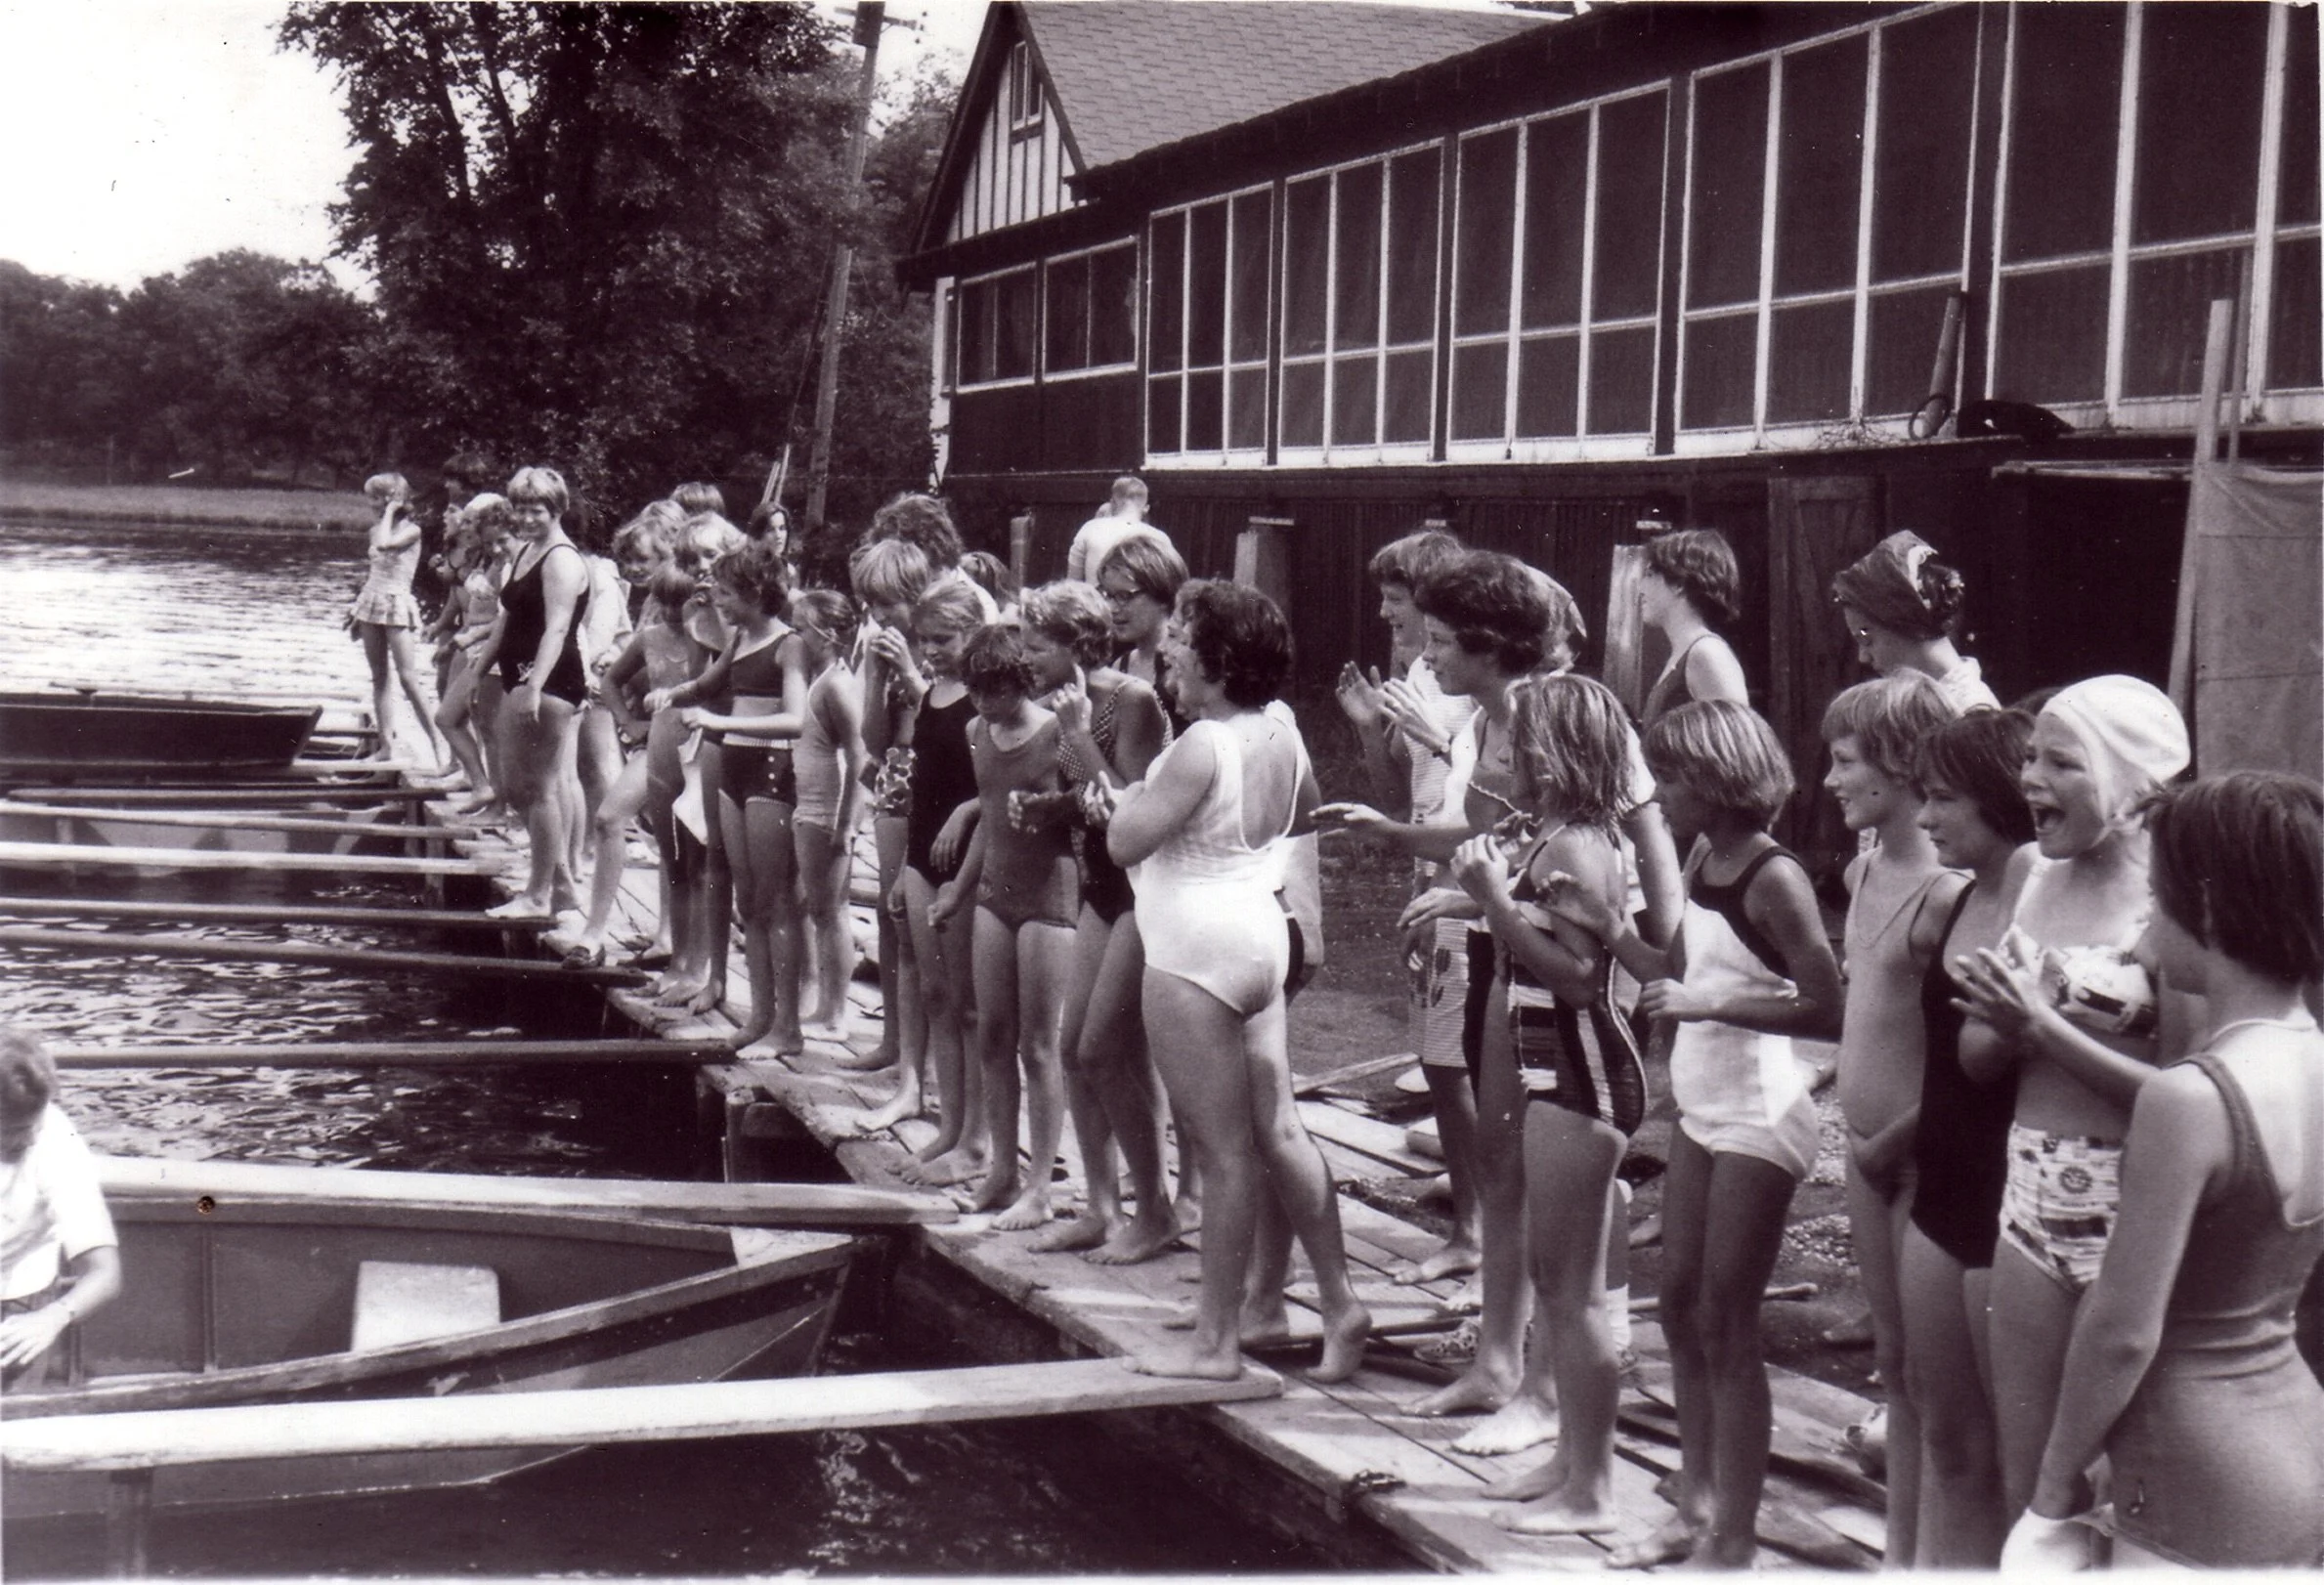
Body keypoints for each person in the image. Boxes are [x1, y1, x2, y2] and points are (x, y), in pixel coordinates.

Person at [1547, 700, 1843, 1569]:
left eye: (1669, 779)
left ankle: (1736, 1541)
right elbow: (1673, 973)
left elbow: (1830, 1007)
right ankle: (1696, 1497)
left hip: (1761, 1115)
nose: (1657, 795)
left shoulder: (1773, 876)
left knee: (1727, 1320)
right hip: (1705, 1117)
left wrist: (1707, 1004)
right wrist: (1608, 929)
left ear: (1713, 781)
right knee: (1677, 1308)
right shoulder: (1707, 853)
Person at [2003, 773, 2324, 1571]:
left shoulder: (2189, 1100)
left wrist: (2050, 1493)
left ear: (2209, 907)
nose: (2145, 921)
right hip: (2298, 1433)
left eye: (2158, 896)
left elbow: (2121, 1333)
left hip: (2190, 1469)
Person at [1111, 580, 1370, 1384]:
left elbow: (1124, 842)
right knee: (1280, 1130)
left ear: (1220, 663)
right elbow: (1305, 816)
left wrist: (1130, 794)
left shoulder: (1202, 745)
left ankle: (1215, 1344)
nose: (1172, 656)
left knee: (1222, 1155)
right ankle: (1336, 1300)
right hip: (1261, 935)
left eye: (1185, 642)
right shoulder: (1285, 735)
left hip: (1193, 951)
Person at [1950, 674, 2193, 1521]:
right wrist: (2005, 1024)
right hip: (2029, 1197)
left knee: (2125, 1495)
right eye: (2029, 758)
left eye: (2061, 762)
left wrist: (2044, 1026)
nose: (2029, 781)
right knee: (2035, 1495)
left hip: (2132, 1214)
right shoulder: (2036, 880)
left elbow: (2190, 1098)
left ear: (2130, 784)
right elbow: (1981, 1061)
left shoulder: (2177, 901)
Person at [1431, 675, 1647, 1538]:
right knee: (1560, 1286)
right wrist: (1482, 896)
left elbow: (1580, 977)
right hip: (1556, 1070)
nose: (1499, 764)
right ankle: (1567, 1462)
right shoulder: (1557, 836)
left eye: (1515, 750)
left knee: (1572, 1293)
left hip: (1583, 1078)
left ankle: (1592, 1486)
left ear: (1556, 758)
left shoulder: (1579, 849)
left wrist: (1489, 901)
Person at [1818, 670, 1963, 1564]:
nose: (1829, 780)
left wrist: (1891, 1137)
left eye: (1844, 762)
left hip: (1916, 1155)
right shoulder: (1860, 867)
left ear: (1904, 766)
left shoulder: (1947, 895)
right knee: (1896, 1370)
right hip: (1862, 1152)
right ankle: (1901, 1556)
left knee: (1941, 1381)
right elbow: (1865, 1011)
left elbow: (1961, 1060)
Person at [1898, 708, 2037, 1567]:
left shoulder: (2040, 893)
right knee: (1947, 1435)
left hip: (2008, 1201)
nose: (1925, 817)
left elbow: (1992, 1062)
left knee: (2023, 1466)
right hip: (1940, 1193)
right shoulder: (1961, 895)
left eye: (1943, 798)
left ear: (1998, 798)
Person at [1334, 530, 1482, 1291]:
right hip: (1430, 874)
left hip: (1470, 879)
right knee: (1437, 1051)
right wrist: (1369, 726)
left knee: (1452, 1058)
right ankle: (1474, 1199)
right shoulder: (1418, 673)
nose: (1388, 625)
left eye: (1398, 610)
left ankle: (1474, 1229)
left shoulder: (1468, 681)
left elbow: (1491, 793)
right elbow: (1397, 799)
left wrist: (1435, 735)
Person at [1016, 580, 1175, 1263]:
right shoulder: (1061, 705)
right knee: (1076, 1046)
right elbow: (1085, 800)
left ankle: (1157, 1207)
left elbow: (1129, 803)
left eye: (1038, 646)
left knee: (1098, 1048)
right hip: (1096, 886)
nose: (1025, 658)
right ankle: (1103, 1206)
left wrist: (1079, 736)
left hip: (1141, 890)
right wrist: (1049, 809)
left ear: (1078, 645)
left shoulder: (1128, 702)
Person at [931, 623, 1080, 1230]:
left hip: (1049, 898)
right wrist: (957, 894)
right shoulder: (975, 731)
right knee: (993, 1036)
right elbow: (990, 823)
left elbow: (1086, 809)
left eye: (992, 691)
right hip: (995, 894)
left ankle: (1041, 1185)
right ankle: (1000, 1170)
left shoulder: (1054, 735)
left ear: (1020, 681)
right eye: (974, 690)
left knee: (1039, 1047)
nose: (981, 703)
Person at [662, 542, 811, 1061]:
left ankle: (789, 1027)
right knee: (749, 903)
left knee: (776, 902)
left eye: (726, 592)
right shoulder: (743, 637)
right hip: (734, 770)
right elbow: (707, 684)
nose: (719, 600)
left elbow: (795, 719)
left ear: (754, 592)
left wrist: (721, 722)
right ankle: (762, 1016)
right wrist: (669, 695)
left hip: (772, 772)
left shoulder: (788, 644)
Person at [890, 579, 989, 1186]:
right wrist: (904, 865)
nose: (931, 651)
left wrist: (969, 811)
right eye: (924, 640)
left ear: (974, 634)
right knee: (935, 996)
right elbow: (921, 787)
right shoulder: (933, 694)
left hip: (967, 862)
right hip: (924, 856)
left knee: (967, 1004)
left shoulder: (989, 699)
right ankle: (950, 1125)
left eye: (944, 640)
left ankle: (977, 1139)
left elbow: (1005, 783)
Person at [470, 466, 591, 921]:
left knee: (536, 789)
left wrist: (534, 686)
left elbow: (559, 627)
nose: (525, 517)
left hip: (551, 679)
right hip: (517, 675)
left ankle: (539, 895)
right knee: (516, 787)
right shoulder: (525, 551)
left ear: (557, 509)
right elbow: (505, 620)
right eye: (519, 508)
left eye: (535, 509)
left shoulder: (561, 558)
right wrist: (478, 671)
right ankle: (559, 884)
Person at [847, 536, 939, 1128]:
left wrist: (907, 667)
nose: (878, 616)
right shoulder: (882, 647)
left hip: (934, 781)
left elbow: (946, 724)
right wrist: (882, 670)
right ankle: (896, 1047)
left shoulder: (942, 643)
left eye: (886, 604)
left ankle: (922, 1074)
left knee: (919, 926)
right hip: (895, 778)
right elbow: (876, 739)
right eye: (871, 605)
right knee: (889, 913)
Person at [1, 1027, 121, 1389]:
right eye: (15, 1130)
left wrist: (52, 1317)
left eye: (33, 1123)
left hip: (18, 1303)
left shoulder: (55, 1141)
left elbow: (105, 1273)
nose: (31, 1137)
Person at [789, 590, 869, 1046]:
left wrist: (847, 824)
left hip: (828, 810)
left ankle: (838, 1013)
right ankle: (825, 1005)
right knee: (818, 909)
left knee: (830, 910)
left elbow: (859, 753)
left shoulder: (838, 684)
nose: (795, 636)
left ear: (828, 635)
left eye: (801, 629)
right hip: (811, 805)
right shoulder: (820, 679)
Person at [1832, 531, 1999, 712]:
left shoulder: (1972, 711)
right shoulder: (1922, 704)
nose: (1863, 657)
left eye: (1866, 637)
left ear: (1903, 622)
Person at [351, 471, 452, 773]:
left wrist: (394, 511)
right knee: (379, 675)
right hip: (372, 601)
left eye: (374, 498)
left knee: (408, 677)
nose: (370, 503)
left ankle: (438, 744)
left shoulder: (412, 531)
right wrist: (355, 609)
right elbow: (374, 570)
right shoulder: (375, 529)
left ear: (389, 498)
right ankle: (385, 746)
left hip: (397, 602)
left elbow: (385, 546)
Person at [434, 494, 514, 814]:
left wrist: (468, 637)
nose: (493, 546)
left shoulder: (509, 564)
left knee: (488, 731)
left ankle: (497, 805)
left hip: (493, 649)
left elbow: (509, 617)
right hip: (476, 644)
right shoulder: (485, 559)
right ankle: (481, 786)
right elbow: (459, 593)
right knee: (452, 718)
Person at [1638, 528, 1749, 724]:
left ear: (1679, 583)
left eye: (1649, 574)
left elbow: (1738, 747)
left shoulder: (1707, 653)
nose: (1640, 588)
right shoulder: (1682, 653)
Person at [1097, 535, 1190, 732]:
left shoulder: (1182, 666)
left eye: (1124, 596)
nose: (1112, 608)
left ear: (1162, 595)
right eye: (1108, 595)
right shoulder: (1120, 664)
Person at [1065, 475, 1168, 582]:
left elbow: (1073, 584)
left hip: (1096, 598)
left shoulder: (1090, 528)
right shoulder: (1160, 538)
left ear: (1112, 503)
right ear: (1146, 508)